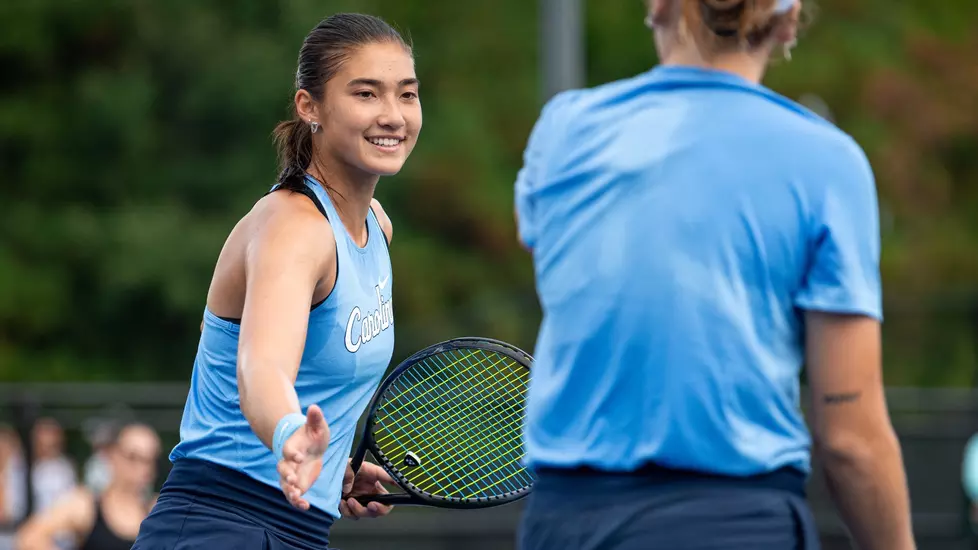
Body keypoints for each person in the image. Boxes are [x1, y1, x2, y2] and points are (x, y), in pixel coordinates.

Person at [513, 1, 915, 549]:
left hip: (565, 524)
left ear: (658, 7)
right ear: (788, 20)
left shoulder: (563, 132)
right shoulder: (828, 163)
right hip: (736, 524)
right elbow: (850, 443)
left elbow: (565, 265)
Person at [132, 12, 421, 550]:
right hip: (219, 524)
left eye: (406, 95)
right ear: (309, 106)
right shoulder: (294, 228)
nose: (392, 116)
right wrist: (292, 438)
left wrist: (330, 470)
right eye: (366, 94)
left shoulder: (376, 228)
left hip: (296, 528)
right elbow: (260, 367)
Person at [15, 423, 161, 550]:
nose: (143, 467)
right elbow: (29, 537)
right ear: (112, 455)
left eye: (149, 459)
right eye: (133, 457)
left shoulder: (158, 509)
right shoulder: (85, 504)